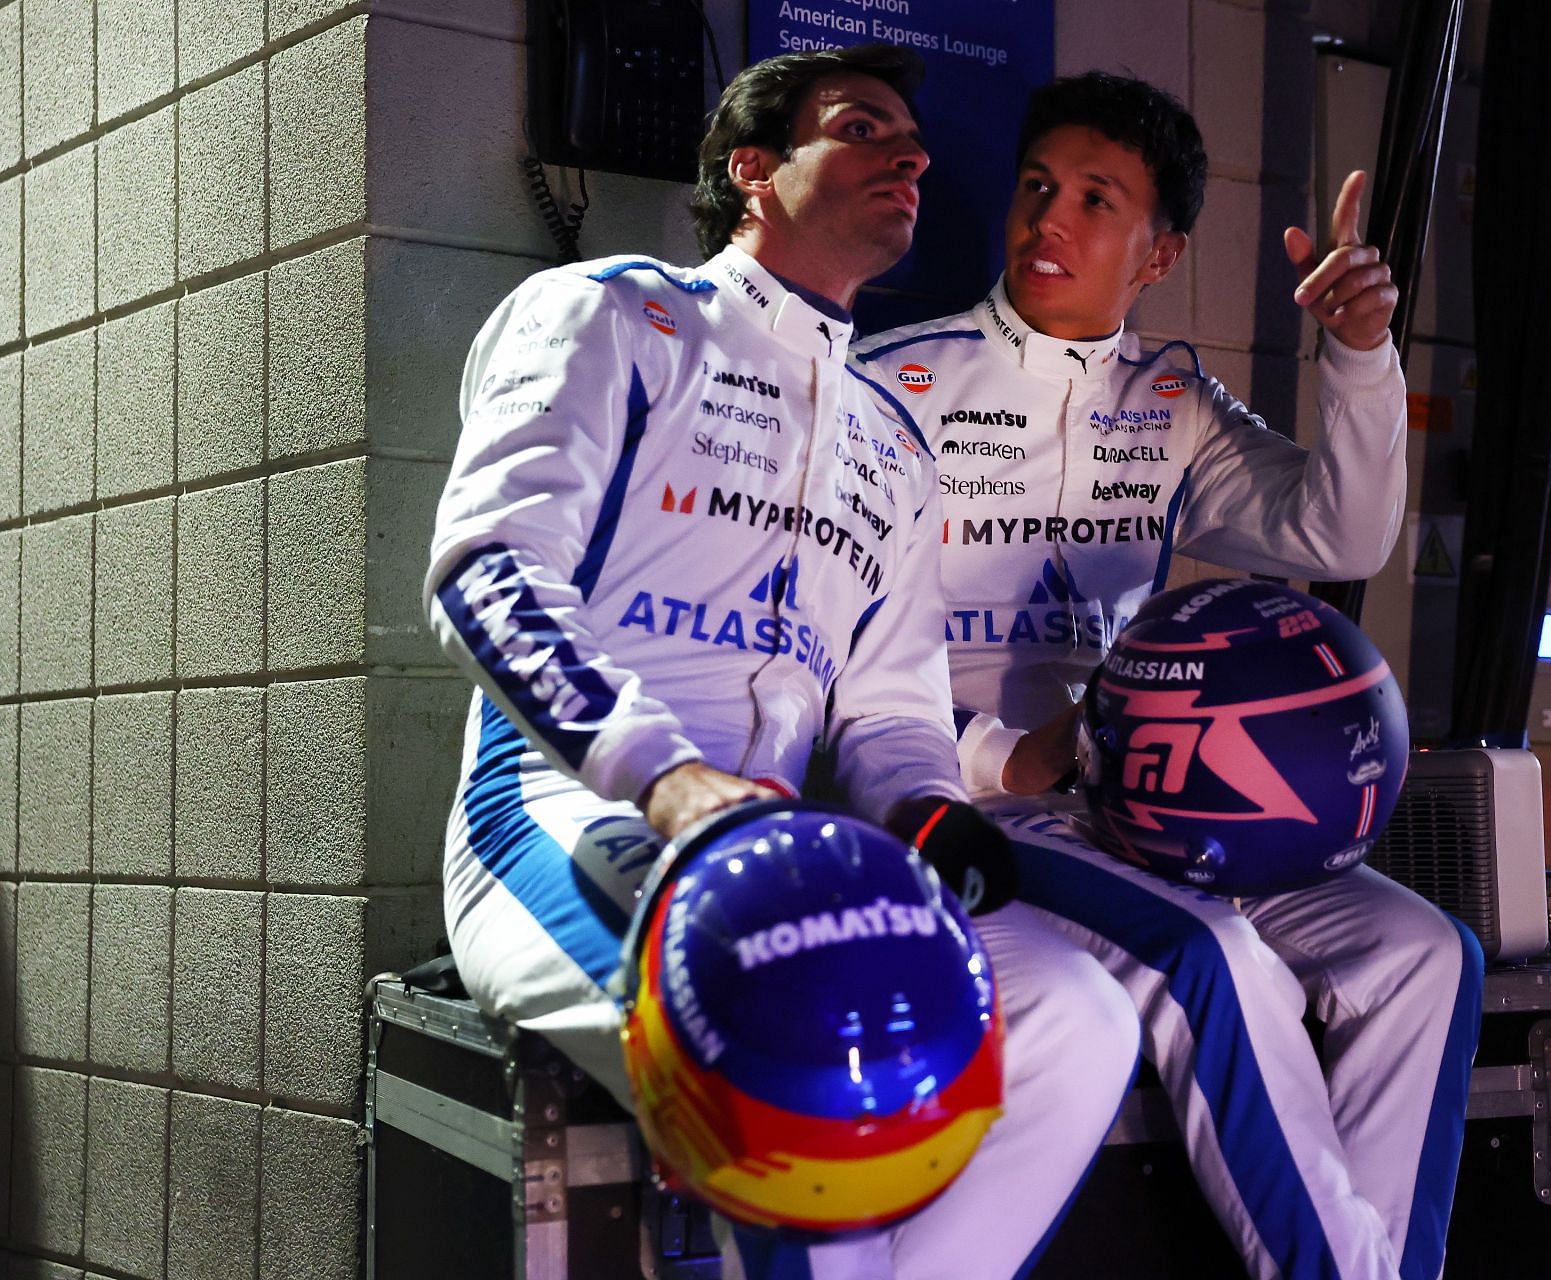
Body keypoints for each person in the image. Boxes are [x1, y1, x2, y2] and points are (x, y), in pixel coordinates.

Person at [424, 45, 1138, 1280]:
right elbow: (485, 571)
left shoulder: (892, 444)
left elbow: (887, 706)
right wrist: (665, 777)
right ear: (754, 170)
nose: (910, 155)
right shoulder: (617, 311)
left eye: (913, 141)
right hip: (560, 805)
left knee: (1078, 1016)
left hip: (787, 850)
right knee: (798, 1060)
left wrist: (925, 808)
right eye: (863, 129)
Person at [854, 72, 1485, 1280]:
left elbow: (1338, 533)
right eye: (1041, 187)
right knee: (1220, 959)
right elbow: (821, 652)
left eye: (1097, 200)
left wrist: (1358, 356)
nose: (1051, 219)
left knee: (1425, 954)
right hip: (960, 806)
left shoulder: (1169, 401)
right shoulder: (890, 382)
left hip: (1135, 807)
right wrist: (999, 752)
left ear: (1161, 252)